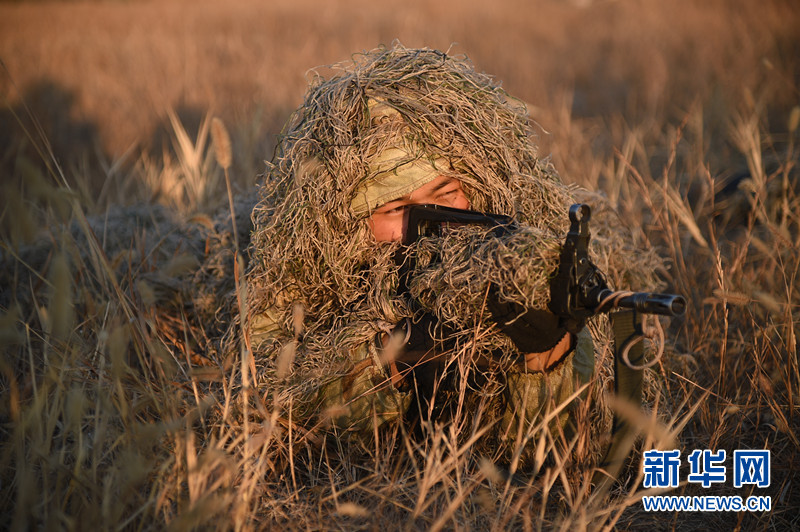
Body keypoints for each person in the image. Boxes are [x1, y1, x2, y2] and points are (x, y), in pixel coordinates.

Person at [243, 45, 597, 460]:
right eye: (394, 208)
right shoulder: (305, 264)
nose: (428, 223)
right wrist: (389, 360)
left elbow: (571, 449)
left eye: (445, 192)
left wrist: (544, 361)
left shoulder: (518, 254)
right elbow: (269, 388)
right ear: (344, 223)